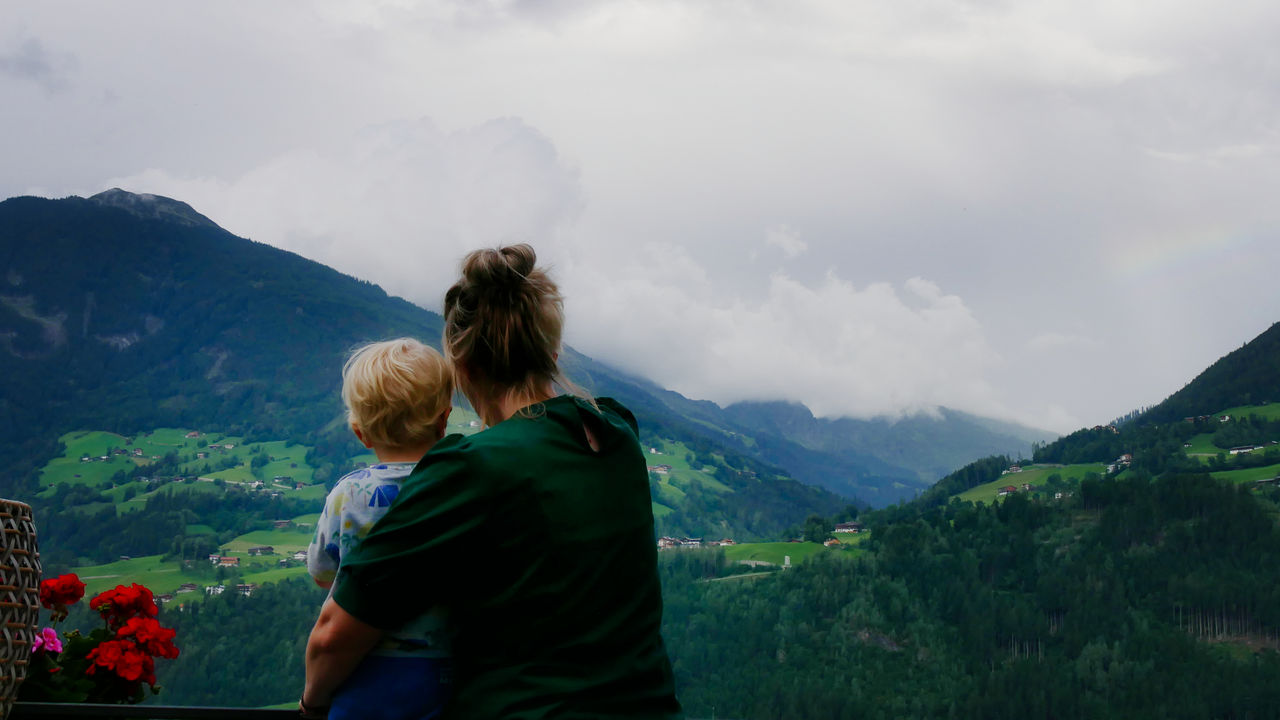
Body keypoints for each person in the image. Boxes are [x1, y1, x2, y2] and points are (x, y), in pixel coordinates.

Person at [302, 245, 682, 719]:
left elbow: (334, 637)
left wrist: (312, 705)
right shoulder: (617, 433)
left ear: (461, 367)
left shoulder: (472, 467)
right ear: (552, 351)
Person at [304, 338, 454, 720]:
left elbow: (322, 572)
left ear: (360, 432)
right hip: (450, 672)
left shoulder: (348, 494)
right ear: (444, 419)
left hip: (362, 670)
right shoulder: (458, 487)